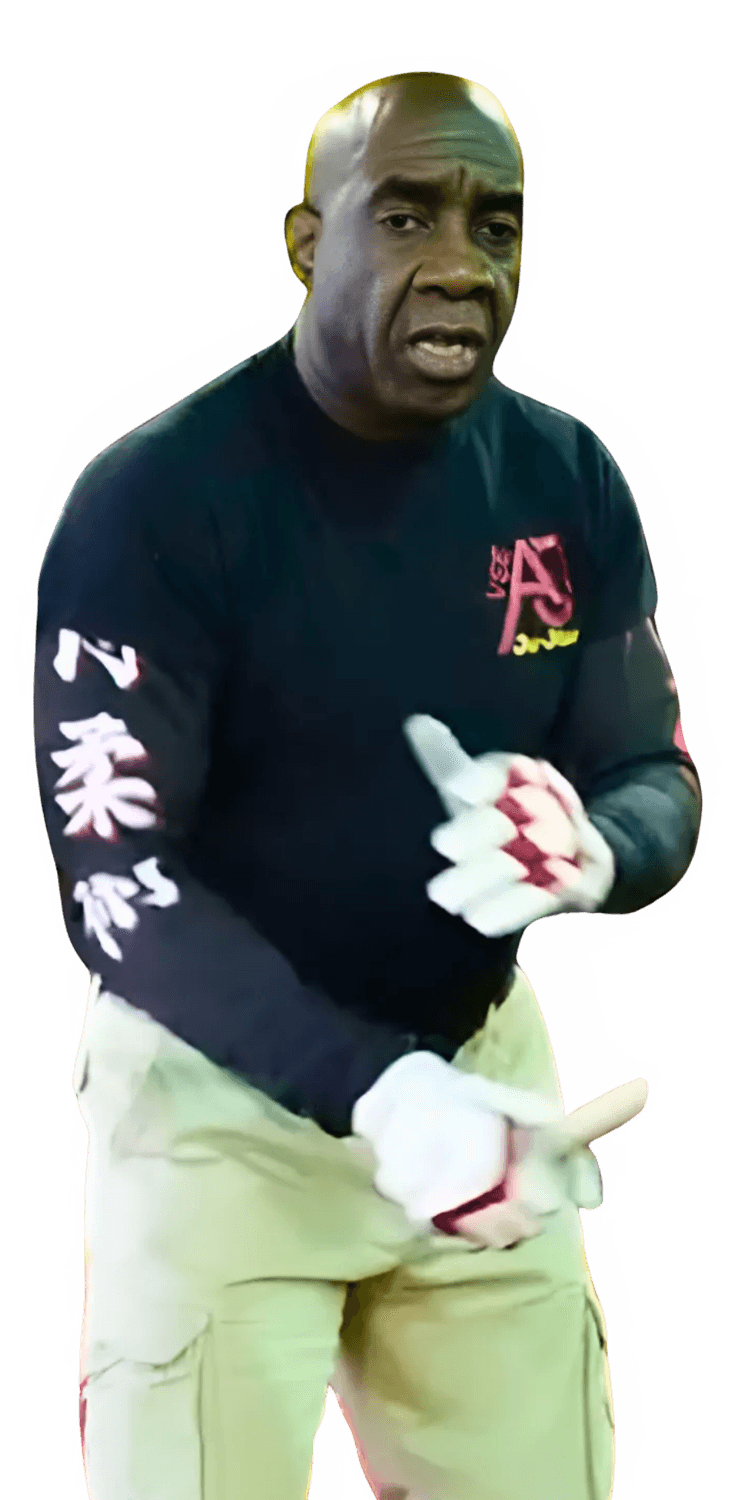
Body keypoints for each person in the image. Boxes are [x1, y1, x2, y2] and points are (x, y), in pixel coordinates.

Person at [33, 69, 701, 1500]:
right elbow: (119, 884)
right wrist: (380, 1093)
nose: (461, 266)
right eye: (405, 216)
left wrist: (599, 846)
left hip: (481, 1082)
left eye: (496, 224)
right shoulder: (156, 505)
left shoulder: (567, 479)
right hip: (221, 1108)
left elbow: (654, 770)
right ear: (304, 242)